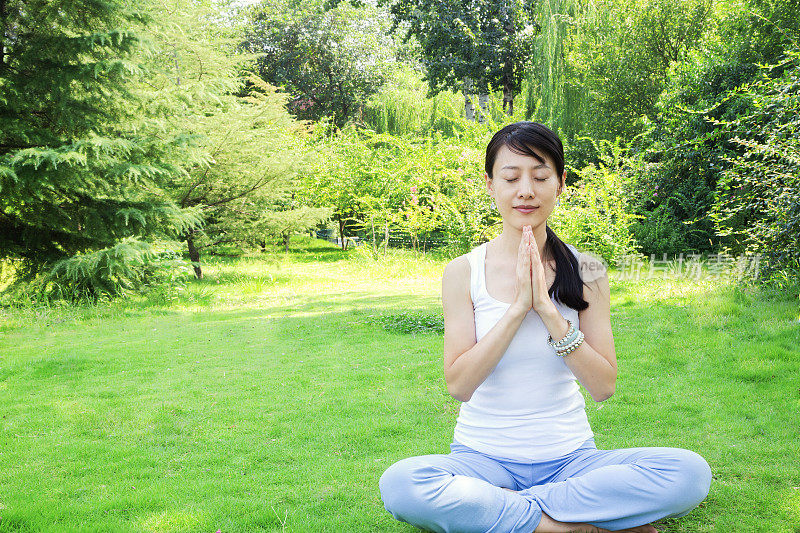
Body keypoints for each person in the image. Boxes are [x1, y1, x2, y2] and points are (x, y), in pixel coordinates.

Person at [378, 121, 712, 533]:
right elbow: (459, 386)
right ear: (490, 184)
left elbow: (603, 386)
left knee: (689, 473)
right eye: (511, 177)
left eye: (540, 177)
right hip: (482, 462)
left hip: (573, 461)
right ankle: (573, 526)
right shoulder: (463, 272)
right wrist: (517, 309)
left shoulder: (588, 269)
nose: (526, 191)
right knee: (402, 484)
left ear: (560, 184)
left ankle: (510, 512)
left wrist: (549, 313)